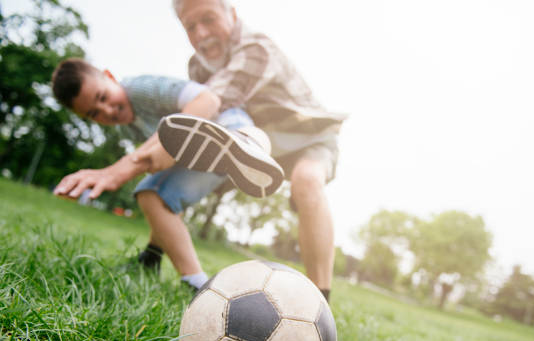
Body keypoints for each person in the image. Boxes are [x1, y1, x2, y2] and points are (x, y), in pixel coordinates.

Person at [51, 58, 283, 291]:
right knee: (155, 195)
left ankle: (249, 146)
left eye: (103, 97)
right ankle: (161, 263)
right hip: (202, 164)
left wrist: (124, 167)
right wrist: (152, 159)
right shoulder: (126, 126)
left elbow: (207, 100)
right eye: (94, 113)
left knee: (241, 133)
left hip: (223, 123)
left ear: (110, 77)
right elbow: (159, 156)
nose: (107, 111)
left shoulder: (140, 89)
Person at [168, 0, 347, 301]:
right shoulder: (197, 65)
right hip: (259, 143)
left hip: (309, 136)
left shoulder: (256, 48)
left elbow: (215, 99)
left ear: (232, 14)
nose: (201, 34)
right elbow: (199, 127)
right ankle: (151, 252)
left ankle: (320, 300)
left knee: (307, 181)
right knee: (187, 156)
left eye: (209, 19)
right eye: (190, 27)